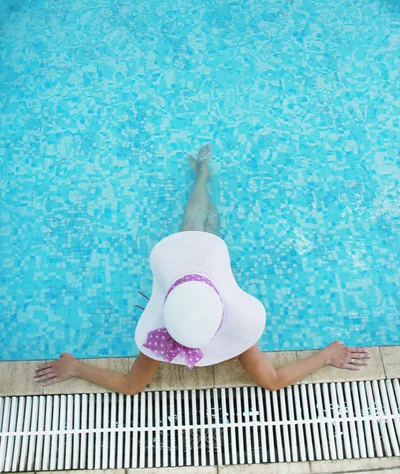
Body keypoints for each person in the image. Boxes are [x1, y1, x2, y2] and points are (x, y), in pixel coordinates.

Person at [34, 144, 369, 392]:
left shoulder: (161, 340)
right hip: (197, 282)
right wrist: (325, 356)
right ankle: (204, 177)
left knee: (194, 226)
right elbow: (273, 381)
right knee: (200, 227)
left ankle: (202, 177)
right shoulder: (236, 334)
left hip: (190, 282)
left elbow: (129, 385)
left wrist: (77, 366)